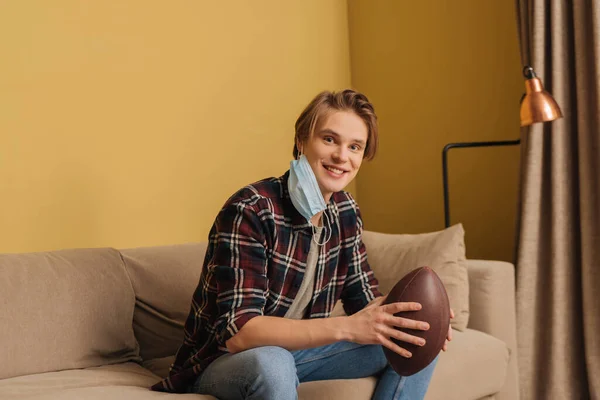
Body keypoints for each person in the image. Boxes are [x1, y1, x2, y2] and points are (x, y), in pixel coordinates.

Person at [151, 89, 452, 399]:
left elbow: (365, 302)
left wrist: (423, 317)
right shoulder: (251, 209)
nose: (341, 156)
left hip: (298, 353)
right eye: (329, 139)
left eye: (355, 147)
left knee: (413, 340)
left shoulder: (345, 211)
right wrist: (346, 327)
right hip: (224, 362)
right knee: (273, 360)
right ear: (301, 140)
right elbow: (239, 333)